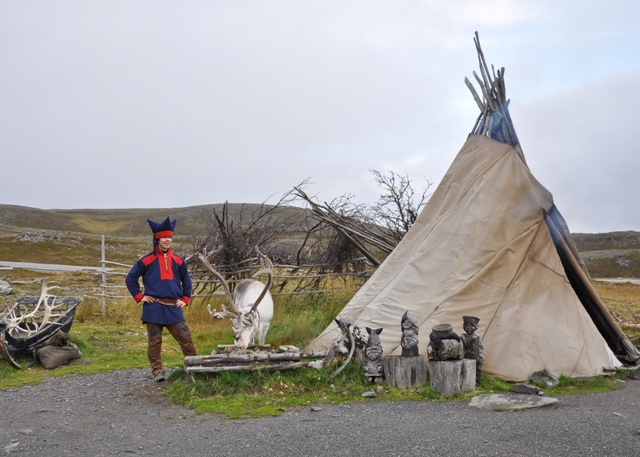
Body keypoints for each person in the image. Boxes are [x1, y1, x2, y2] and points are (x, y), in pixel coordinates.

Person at [125, 217, 196, 382]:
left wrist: (185, 298)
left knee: (185, 337)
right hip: (154, 307)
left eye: (170, 237)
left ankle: (193, 367)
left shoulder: (178, 260)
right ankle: (157, 371)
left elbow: (187, 280)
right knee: (155, 341)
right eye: (164, 237)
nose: (168, 240)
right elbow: (130, 279)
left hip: (173, 307)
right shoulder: (146, 260)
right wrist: (140, 296)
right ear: (157, 239)